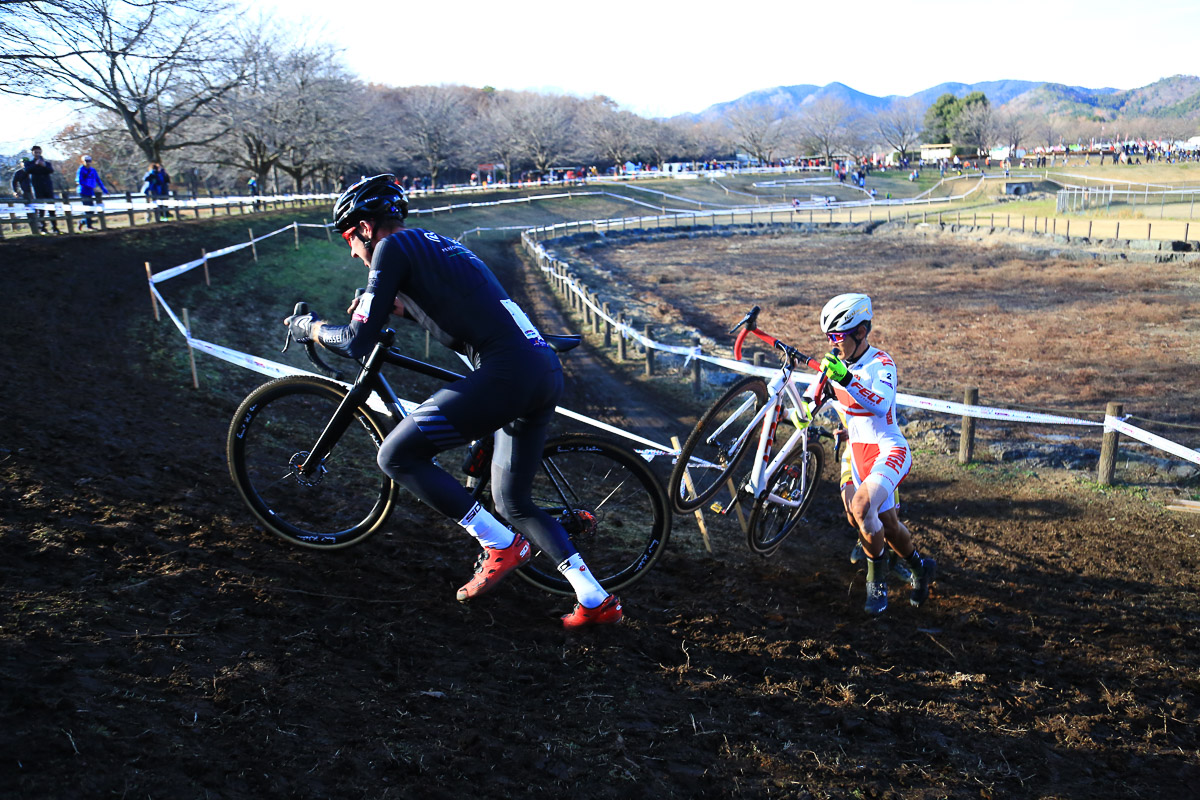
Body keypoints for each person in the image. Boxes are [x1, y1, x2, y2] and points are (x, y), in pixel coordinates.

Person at [283, 174, 623, 628]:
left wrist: (309, 328)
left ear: (365, 228)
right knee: (513, 502)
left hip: (507, 373)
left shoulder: (390, 248)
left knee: (397, 455)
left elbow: (354, 342)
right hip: (540, 368)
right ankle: (596, 600)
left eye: (349, 237)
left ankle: (500, 545)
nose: (351, 250)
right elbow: (451, 306)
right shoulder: (436, 243)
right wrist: (394, 308)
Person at [812, 293, 936, 615]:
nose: (832, 344)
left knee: (862, 506)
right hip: (858, 453)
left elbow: (880, 403)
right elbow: (815, 402)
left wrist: (847, 379)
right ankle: (921, 568)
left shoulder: (882, 363)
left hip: (889, 450)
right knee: (887, 525)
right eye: (829, 337)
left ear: (861, 332)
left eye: (838, 337)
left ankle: (876, 589)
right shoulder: (837, 365)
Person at [26, 145, 59, 234]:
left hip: (47, 187)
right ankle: (43, 228)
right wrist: (35, 164)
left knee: (51, 208)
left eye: (39, 152)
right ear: (32, 153)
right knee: (41, 209)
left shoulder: (46, 163)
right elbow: (27, 170)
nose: (37, 154)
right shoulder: (29, 163)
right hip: (37, 188)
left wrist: (44, 166)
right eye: (35, 152)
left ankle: (55, 227)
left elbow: (51, 171)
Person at [75, 154, 108, 231]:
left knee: (91, 209)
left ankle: (82, 221)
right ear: (83, 162)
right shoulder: (81, 170)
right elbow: (79, 181)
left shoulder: (93, 170)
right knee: (88, 209)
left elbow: (98, 180)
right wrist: (92, 188)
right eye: (86, 161)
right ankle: (89, 226)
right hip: (83, 191)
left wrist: (104, 190)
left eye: (89, 161)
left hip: (90, 192)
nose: (88, 163)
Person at [10, 159, 40, 235]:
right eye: (23, 163)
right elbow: (14, 182)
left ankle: (41, 227)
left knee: (38, 210)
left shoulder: (33, 171)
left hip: (36, 192)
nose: (25, 164)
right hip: (26, 193)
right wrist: (15, 191)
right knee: (30, 211)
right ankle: (34, 229)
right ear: (20, 164)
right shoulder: (19, 173)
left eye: (27, 163)